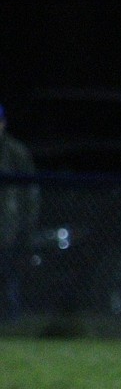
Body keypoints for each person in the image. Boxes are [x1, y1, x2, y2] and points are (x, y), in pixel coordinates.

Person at [0, 104, 38, 322]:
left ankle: (11, 322)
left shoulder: (15, 152)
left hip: (8, 227)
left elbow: (30, 191)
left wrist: (26, 225)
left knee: (8, 277)